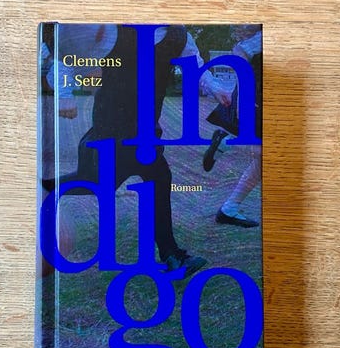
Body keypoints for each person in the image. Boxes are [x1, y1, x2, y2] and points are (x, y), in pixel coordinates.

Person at [41, 24, 231, 277]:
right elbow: (66, 58)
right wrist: (64, 93)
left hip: (146, 130)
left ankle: (171, 255)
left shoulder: (178, 36)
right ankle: (47, 187)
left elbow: (194, 66)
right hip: (110, 127)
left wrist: (215, 87)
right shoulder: (112, 30)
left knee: (155, 178)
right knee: (102, 182)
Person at [202, 25, 262, 228]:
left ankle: (229, 209)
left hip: (260, 98)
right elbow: (240, 52)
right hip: (256, 99)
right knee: (262, 155)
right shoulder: (263, 36)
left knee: (262, 158)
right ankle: (225, 143)